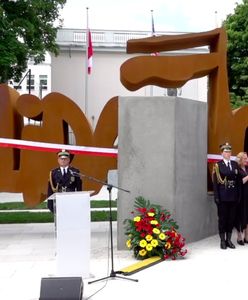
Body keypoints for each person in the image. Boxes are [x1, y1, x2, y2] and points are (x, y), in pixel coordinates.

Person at [212, 142, 241, 249]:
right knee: (223, 219)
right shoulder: (218, 165)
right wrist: (216, 197)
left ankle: (229, 240)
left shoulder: (234, 164)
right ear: (221, 153)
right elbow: (215, 183)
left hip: (233, 196)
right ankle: (222, 241)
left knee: (231, 219)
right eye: (226, 151)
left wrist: (239, 195)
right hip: (223, 196)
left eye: (229, 151)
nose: (228, 153)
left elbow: (238, 181)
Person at [235, 152, 248, 245]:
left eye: (247, 158)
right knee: (239, 216)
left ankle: (246, 237)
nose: (247, 160)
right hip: (240, 197)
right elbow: (240, 182)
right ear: (240, 160)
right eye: (245, 159)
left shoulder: (246, 169)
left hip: (247, 196)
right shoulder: (237, 170)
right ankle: (239, 237)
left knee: (247, 216)